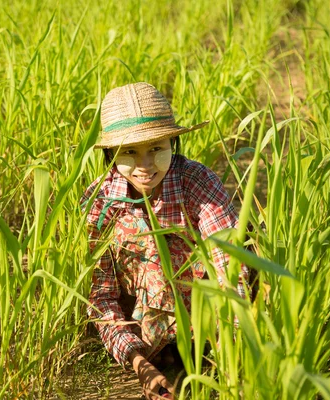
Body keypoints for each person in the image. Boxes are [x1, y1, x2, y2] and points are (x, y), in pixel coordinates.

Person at [81, 82, 249, 399]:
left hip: (208, 322)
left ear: (173, 142)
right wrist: (141, 365)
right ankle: (163, 352)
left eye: (156, 149)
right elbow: (101, 299)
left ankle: (204, 347)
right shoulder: (99, 202)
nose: (145, 165)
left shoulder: (197, 182)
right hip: (144, 333)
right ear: (110, 154)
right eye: (129, 151)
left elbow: (230, 265)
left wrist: (233, 350)